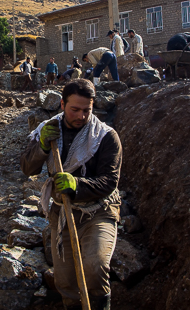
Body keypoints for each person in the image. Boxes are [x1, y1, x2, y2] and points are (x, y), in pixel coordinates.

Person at [21, 79, 122, 310]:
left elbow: (110, 181)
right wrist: (43, 147)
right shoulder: (48, 131)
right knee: (65, 279)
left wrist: (76, 185)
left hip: (98, 211)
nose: (81, 116)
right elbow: (28, 168)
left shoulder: (106, 136)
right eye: (74, 109)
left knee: (95, 267)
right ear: (62, 105)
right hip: (62, 213)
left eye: (87, 110)